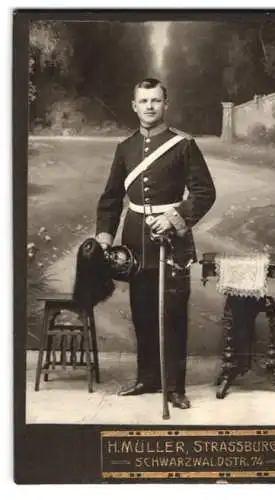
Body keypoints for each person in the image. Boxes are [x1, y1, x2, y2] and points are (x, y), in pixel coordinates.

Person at [95, 77, 216, 409]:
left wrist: (175, 218)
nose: (150, 106)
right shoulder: (125, 148)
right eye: (143, 101)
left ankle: (175, 387)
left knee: (174, 313)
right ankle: (148, 379)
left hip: (173, 243)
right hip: (135, 243)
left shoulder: (183, 145)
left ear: (166, 105)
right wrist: (105, 239)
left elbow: (205, 192)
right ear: (134, 106)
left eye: (155, 100)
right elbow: (110, 199)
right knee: (143, 313)